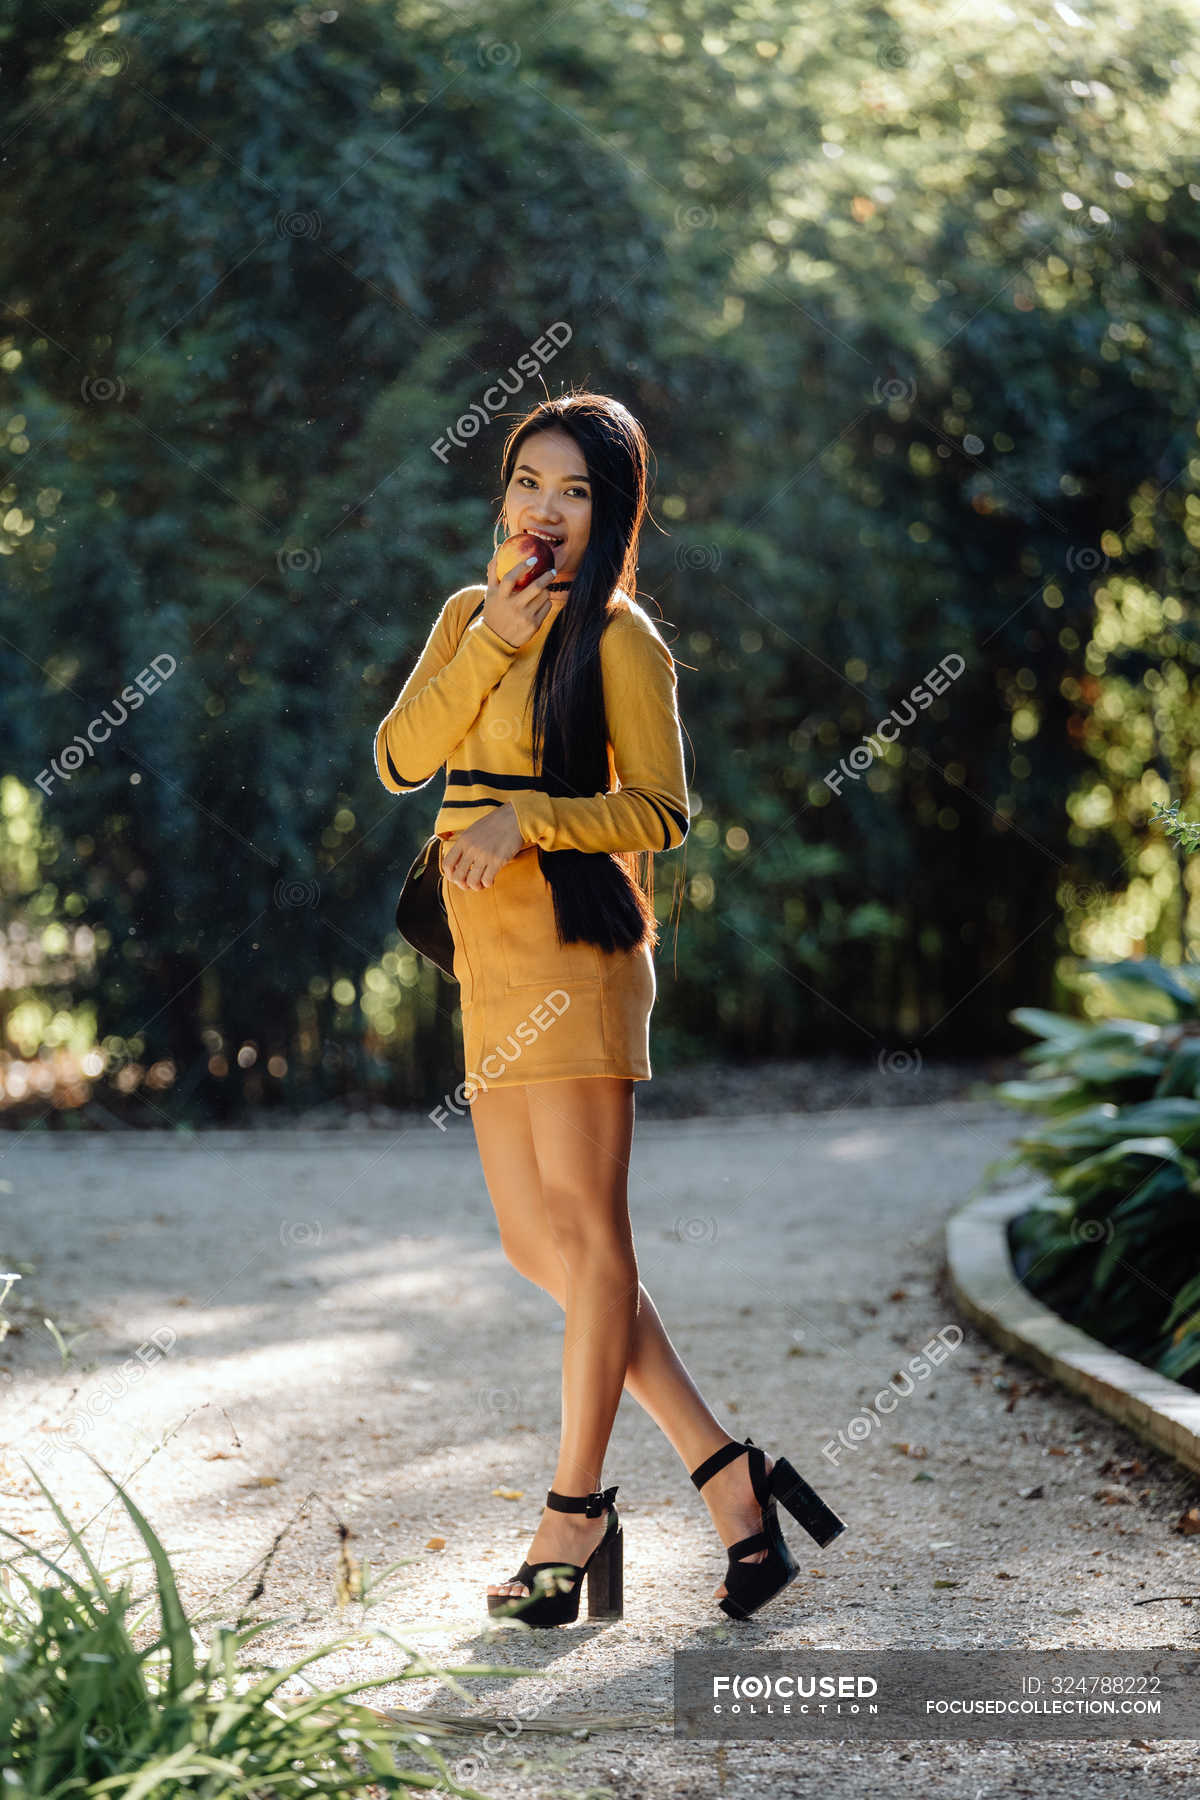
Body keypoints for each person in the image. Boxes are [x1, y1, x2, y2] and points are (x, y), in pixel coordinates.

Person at [373, 391, 845, 1625]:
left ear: (612, 511)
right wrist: (491, 637)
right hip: (487, 964)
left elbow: (663, 812)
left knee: (590, 1235)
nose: (546, 508)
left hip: (578, 957)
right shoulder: (469, 618)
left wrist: (529, 816)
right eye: (531, 481)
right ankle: (726, 1475)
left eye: (575, 491)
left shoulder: (626, 641)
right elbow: (401, 756)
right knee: (541, 1248)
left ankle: (572, 1513)